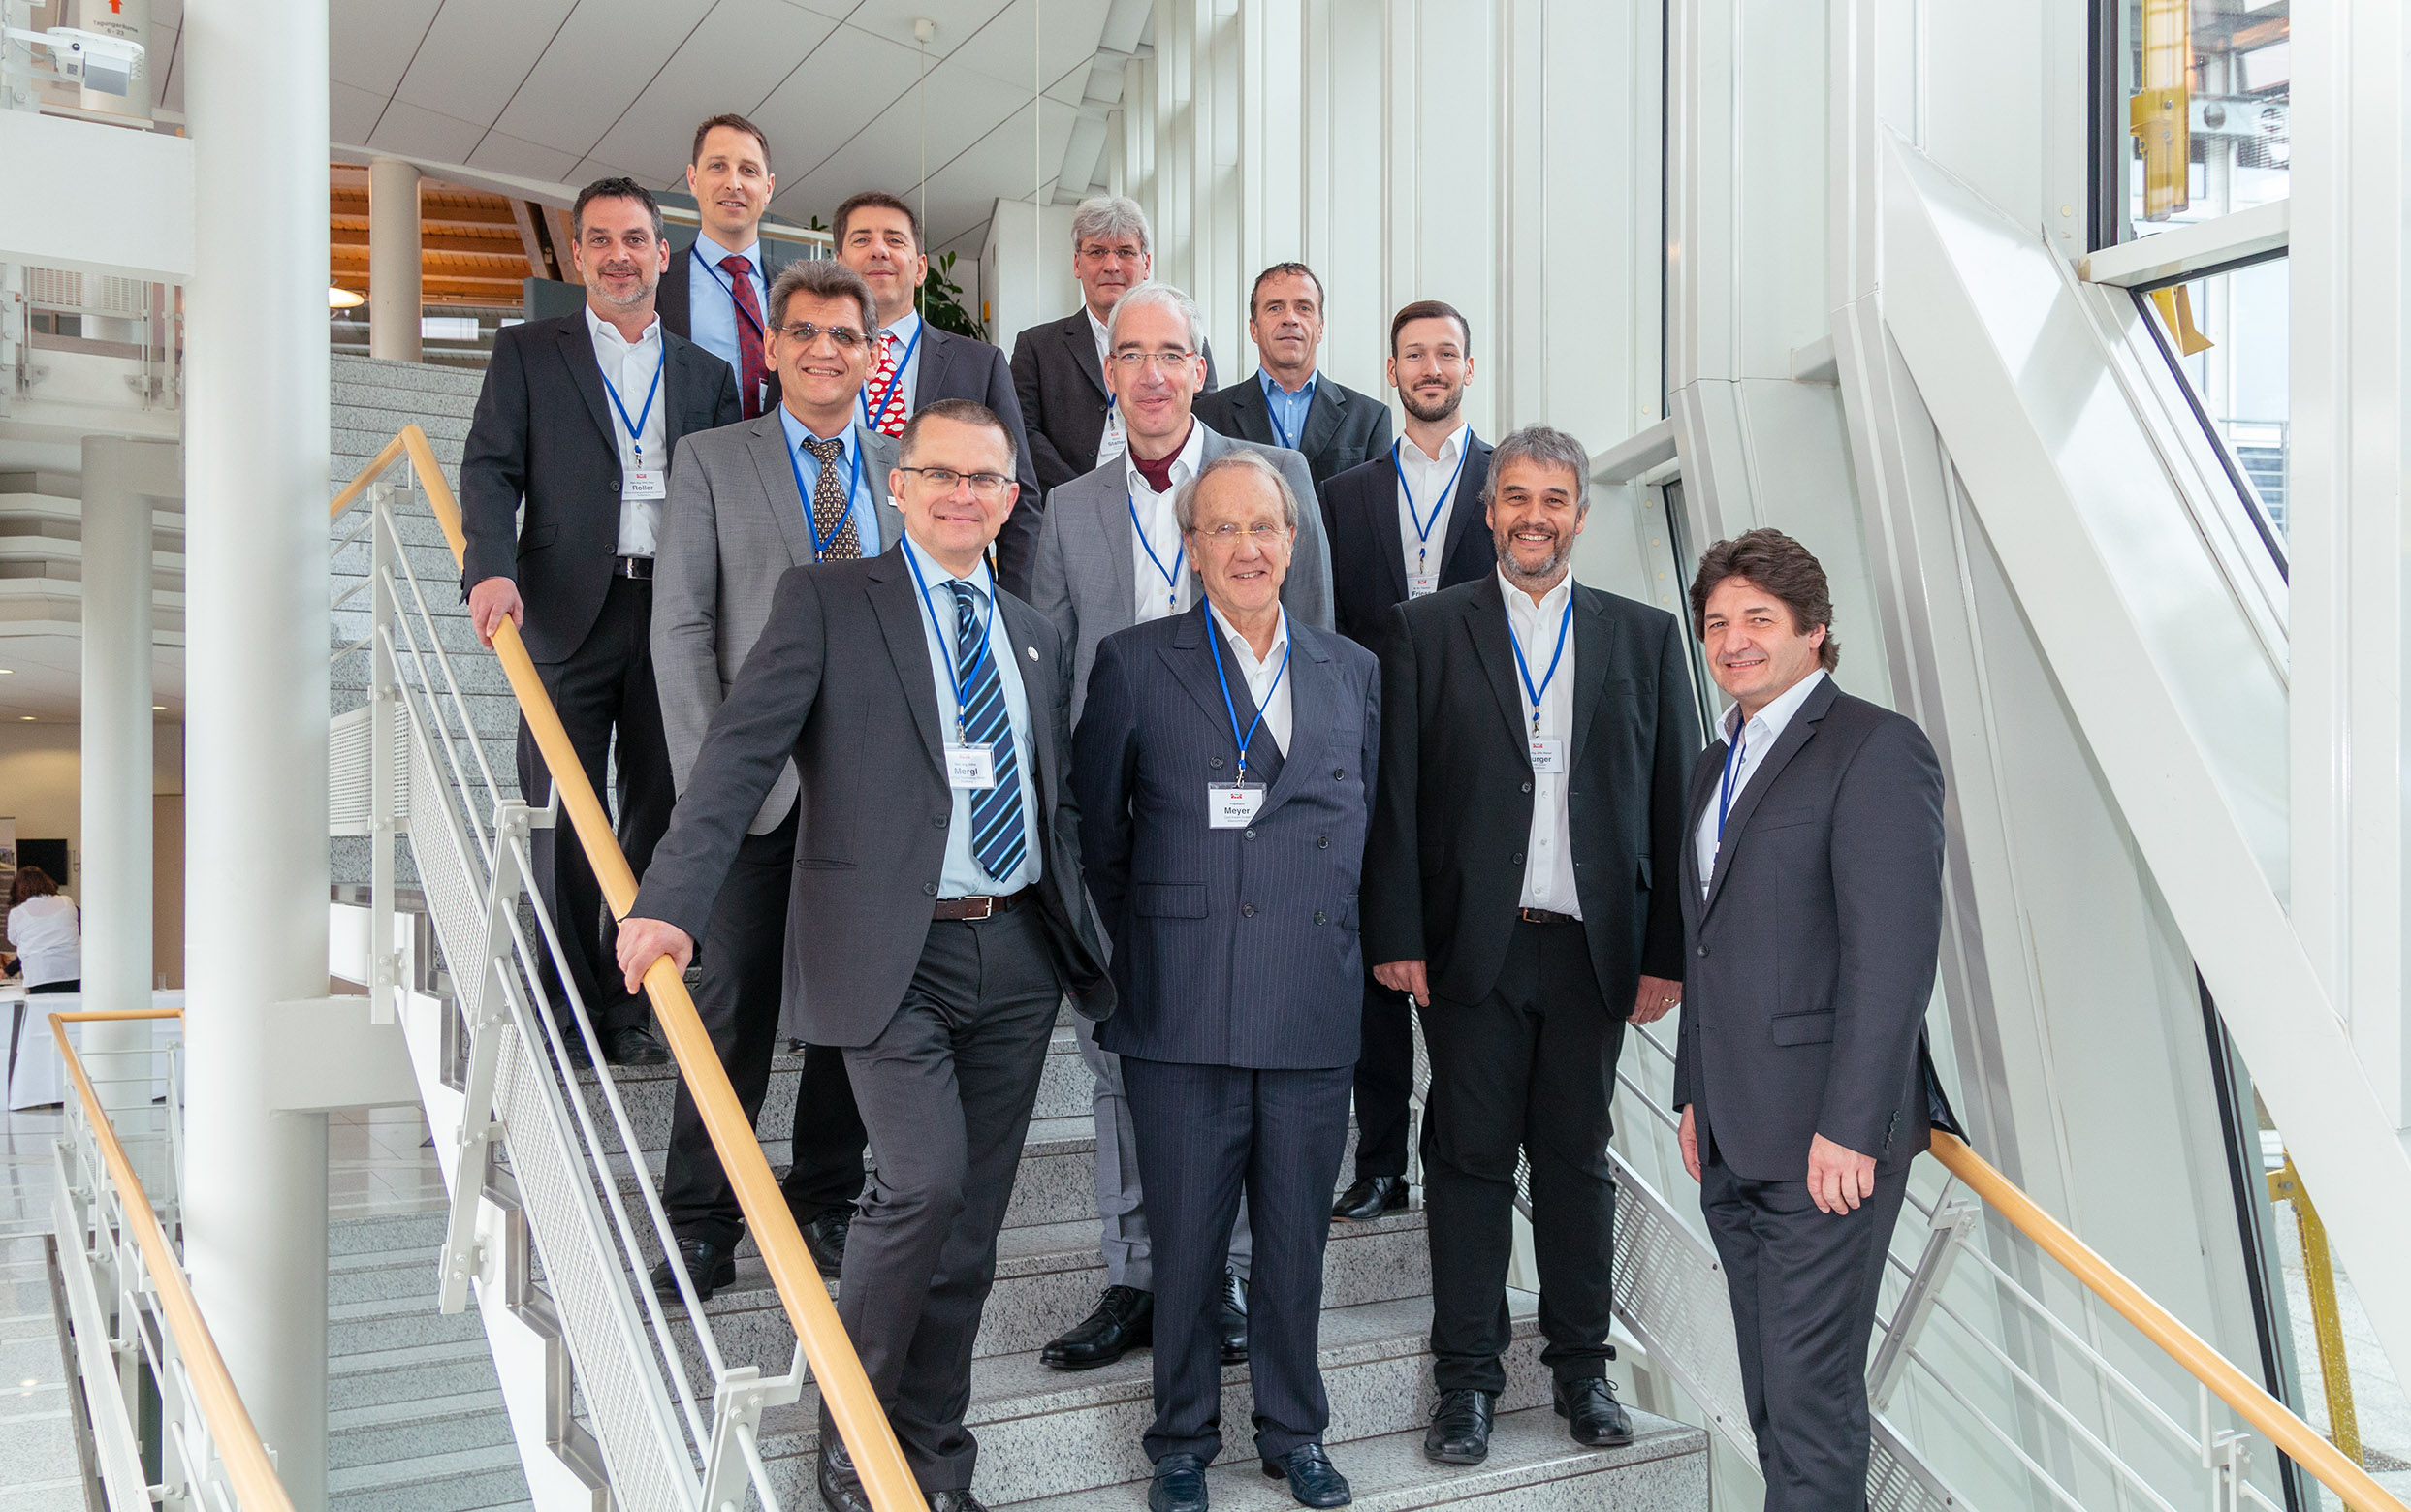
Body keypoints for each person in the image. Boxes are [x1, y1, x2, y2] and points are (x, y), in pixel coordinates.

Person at [616, 398, 1109, 1512]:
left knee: (970, 1235)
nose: (961, 495)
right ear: (899, 484)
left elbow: (1055, 799)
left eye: (984, 480)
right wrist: (672, 900)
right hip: (893, 952)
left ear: (1010, 500)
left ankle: (932, 1461)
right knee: (921, 1185)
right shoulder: (831, 602)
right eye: (940, 473)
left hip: (1017, 953)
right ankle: (853, 1442)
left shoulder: (1033, 631)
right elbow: (740, 754)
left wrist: (1086, 934)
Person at [1361, 426, 1699, 1467]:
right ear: (1488, 509)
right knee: (1466, 1162)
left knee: (1575, 1162)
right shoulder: (1424, 629)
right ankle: (1465, 1383)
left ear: (1581, 515)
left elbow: (1673, 804)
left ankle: (1582, 1371)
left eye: (1554, 499)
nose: (1534, 517)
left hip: (1595, 952)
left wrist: (1667, 952)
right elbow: (1395, 795)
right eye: (1515, 497)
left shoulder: (1644, 637)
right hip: (1474, 949)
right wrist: (1398, 933)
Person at [1029, 280, 1330, 1373]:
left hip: (1248, 829)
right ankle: (1135, 1275)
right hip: (1123, 830)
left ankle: (1227, 1274)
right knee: (1120, 1055)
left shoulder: (1273, 476)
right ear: (1107, 374)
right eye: (1130, 355)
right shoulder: (1069, 509)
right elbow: (1051, 683)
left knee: (1238, 1063)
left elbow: (1320, 649)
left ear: (1202, 369)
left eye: (1172, 354)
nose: (1152, 374)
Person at [1075, 451, 1377, 1512]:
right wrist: (1153, 939)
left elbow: (1369, 826)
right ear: (1192, 548)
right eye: (1224, 529)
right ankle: (1180, 1442)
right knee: (1188, 1245)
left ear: (1293, 543)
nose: (1247, 548)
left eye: (1265, 528)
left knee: (1294, 1244)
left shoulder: (1351, 670)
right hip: (1179, 1001)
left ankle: (1295, 1433)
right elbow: (1095, 832)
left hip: (1309, 1000)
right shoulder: (1132, 663)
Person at [1673, 529, 1952, 1512]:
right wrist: (1694, 1094)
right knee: (1770, 1397)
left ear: (1814, 631)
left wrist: (1850, 1125)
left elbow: (1892, 958)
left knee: (1810, 1402)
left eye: (1758, 619)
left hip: (1825, 1146)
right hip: (1734, 1132)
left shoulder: (1875, 748)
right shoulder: (1716, 763)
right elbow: (1707, 947)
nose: (1734, 641)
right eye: (1717, 623)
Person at [646, 259, 901, 1302]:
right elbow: (680, 629)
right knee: (730, 1004)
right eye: (804, 332)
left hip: (872, 794)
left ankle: (825, 1194)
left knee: (854, 1003)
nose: (823, 350)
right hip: (754, 791)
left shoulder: (905, 469)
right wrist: (717, 784)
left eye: (844, 335)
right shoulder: (712, 459)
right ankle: (701, 1220)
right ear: (774, 346)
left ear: (870, 353)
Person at [460, 175, 741, 1068]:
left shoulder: (706, 374)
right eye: (602, 240)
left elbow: (728, 501)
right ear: (578, 254)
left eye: (636, 240)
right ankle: (563, 1002)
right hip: (562, 610)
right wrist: (490, 567)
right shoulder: (527, 352)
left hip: (675, 614)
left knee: (659, 809)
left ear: (663, 254)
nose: (620, 255)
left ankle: (629, 1006)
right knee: (563, 814)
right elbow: (490, 467)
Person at [1317, 299, 1493, 1224]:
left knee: (1466, 966)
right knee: (1372, 970)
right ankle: (1380, 1163)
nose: (1430, 368)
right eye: (1414, 355)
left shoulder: (1511, 484)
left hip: (1479, 758)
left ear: (1469, 368)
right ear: (1390, 372)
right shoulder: (1343, 494)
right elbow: (1327, 628)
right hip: (1370, 757)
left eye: (1445, 354)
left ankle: (1454, 1157)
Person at [831, 190, 1041, 588]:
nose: (879, 250)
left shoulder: (980, 364)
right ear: (839, 263)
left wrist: (1012, 604)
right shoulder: (809, 361)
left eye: (895, 240)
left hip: (951, 583)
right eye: (862, 239)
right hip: (839, 578)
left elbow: (1021, 497)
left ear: (921, 268)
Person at [1006, 198, 1217, 583]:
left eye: (1125, 252)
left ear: (1146, 264)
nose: (1112, 265)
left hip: (1172, 507)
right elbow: (1022, 433)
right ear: (1077, 263)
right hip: (1069, 515)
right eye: (1097, 252)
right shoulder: (1037, 347)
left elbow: (1204, 416)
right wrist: (1088, 493)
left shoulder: (1186, 341)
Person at [656, 114, 801, 421]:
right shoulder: (658, 284)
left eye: (748, 170)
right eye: (718, 166)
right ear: (693, 179)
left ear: (768, 188)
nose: (733, 184)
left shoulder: (798, 292)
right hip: (689, 448)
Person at [1194, 264, 1389, 489]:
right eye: (1275, 308)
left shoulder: (1370, 418)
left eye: (1303, 308)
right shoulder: (1207, 417)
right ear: (1253, 328)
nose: (1290, 319)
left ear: (1320, 327)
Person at [7, 866, 79, 993]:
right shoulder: (67, 902)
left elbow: (14, 940)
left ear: (19, 889)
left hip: (39, 973)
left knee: (42, 1005)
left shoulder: (17, 913)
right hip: (72, 970)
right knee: (72, 1004)